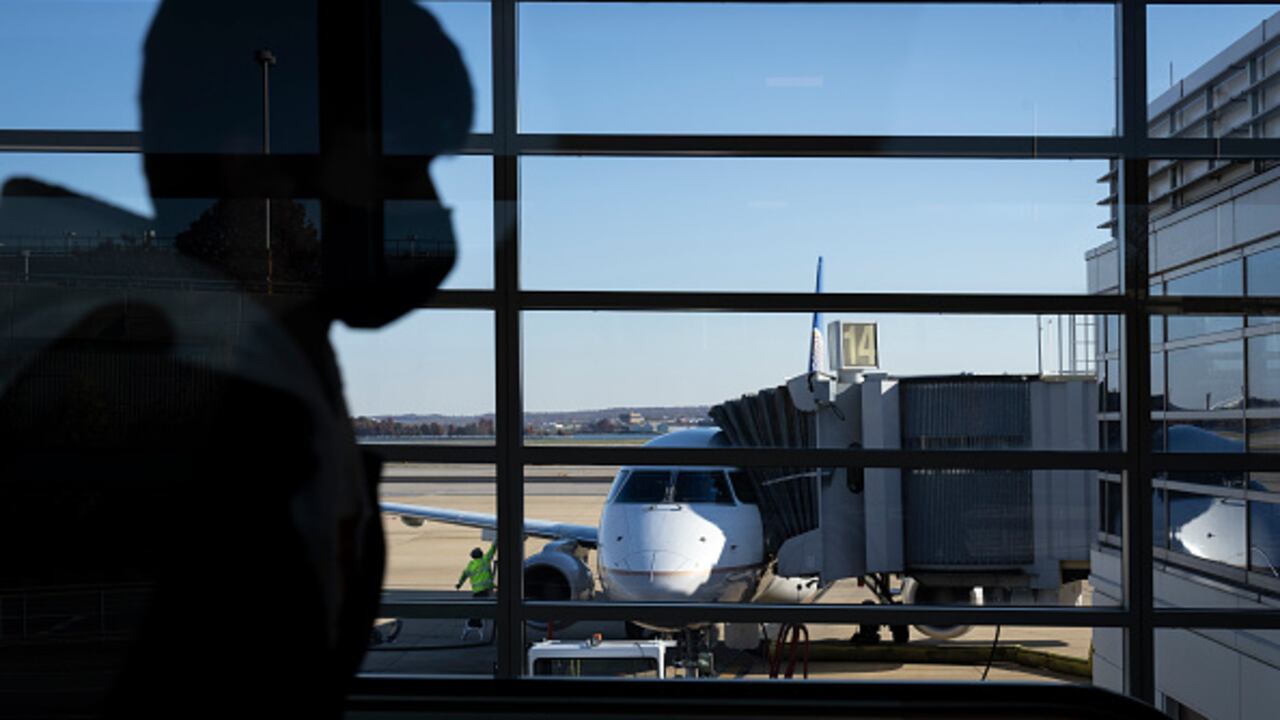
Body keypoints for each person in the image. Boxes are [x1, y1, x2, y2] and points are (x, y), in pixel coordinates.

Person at [0, 1, 471, 717]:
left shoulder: (284, 363)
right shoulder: (187, 392)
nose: (428, 208)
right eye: (401, 170)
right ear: (263, 167)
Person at [457, 542, 497, 641]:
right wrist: (496, 541)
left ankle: (474, 623)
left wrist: (459, 584)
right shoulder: (485, 560)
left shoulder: (470, 566)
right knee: (483, 608)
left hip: (477, 591)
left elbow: (464, 575)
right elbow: (492, 550)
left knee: (477, 608)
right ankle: (475, 623)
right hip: (486, 590)